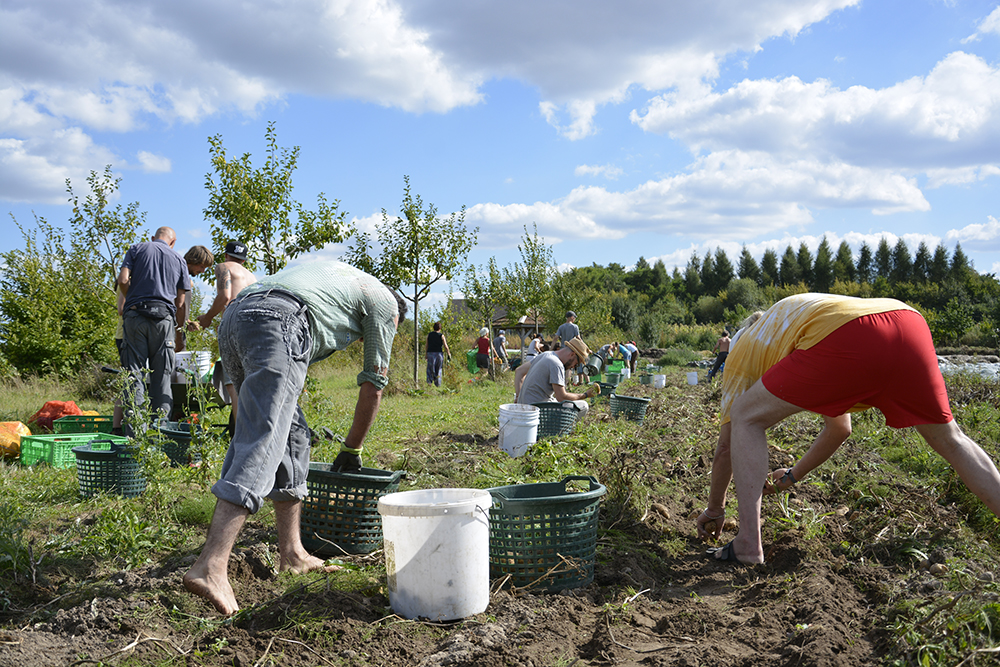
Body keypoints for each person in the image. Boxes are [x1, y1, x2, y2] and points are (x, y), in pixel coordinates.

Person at [696, 293, 1000, 566]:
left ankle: (748, 542)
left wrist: (714, 509)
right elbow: (840, 428)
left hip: (850, 335)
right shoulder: (789, 327)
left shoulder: (741, 351)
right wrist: (792, 475)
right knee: (952, 440)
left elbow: (726, 447)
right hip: (908, 321)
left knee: (746, 416)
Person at [183, 260, 405, 615]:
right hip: (280, 317)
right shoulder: (385, 305)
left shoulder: (343, 277)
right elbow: (373, 386)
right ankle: (210, 566)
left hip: (237, 318)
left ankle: (293, 553)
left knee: (293, 434)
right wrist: (352, 447)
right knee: (265, 441)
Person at [117, 228, 201, 426]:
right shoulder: (179, 259)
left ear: (153, 238)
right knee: (162, 379)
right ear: (173, 242)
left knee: (134, 375)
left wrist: (132, 299)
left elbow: (122, 279)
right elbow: (180, 303)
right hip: (163, 320)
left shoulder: (136, 249)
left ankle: (136, 437)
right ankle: (160, 435)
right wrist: (180, 333)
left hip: (135, 316)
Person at [187, 241, 258, 422]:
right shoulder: (252, 277)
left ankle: (241, 434)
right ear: (244, 260)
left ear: (226, 255)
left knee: (233, 383)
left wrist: (209, 317)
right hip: (254, 326)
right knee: (250, 380)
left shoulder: (223, 267)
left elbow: (225, 296)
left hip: (233, 325)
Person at [514, 336, 599, 416]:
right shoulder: (557, 364)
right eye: (576, 364)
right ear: (572, 354)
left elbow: (519, 371)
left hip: (525, 407)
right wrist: (585, 395)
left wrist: (519, 398)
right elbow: (561, 397)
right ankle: (558, 430)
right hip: (538, 410)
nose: (573, 367)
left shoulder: (546, 354)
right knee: (583, 406)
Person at [426, 321, 451, 386]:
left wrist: (426, 354)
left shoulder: (429, 335)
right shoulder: (441, 336)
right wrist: (449, 353)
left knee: (430, 368)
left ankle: (429, 382)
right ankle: (438, 383)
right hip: (439, 354)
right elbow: (446, 346)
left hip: (430, 353)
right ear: (440, 328)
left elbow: (427, 345)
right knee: (438, 369)